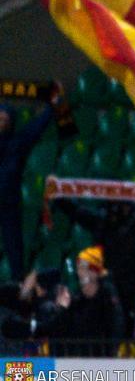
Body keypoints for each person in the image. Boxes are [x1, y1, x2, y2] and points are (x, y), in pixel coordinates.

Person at [0, 95, 56, 276]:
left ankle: (18, 282)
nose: (1, 123)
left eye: (5, 119)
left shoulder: (17, 144)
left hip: (8, 204)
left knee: (14, 246)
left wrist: (53, 106)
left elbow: (36, 127)